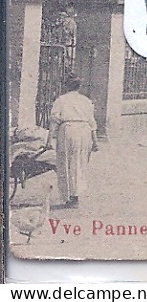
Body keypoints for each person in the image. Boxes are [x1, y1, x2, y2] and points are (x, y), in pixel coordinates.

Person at [48, 75, 98, 209]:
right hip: (84, 132)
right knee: (80, 163)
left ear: (66, 86)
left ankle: (70, 196)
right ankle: (76, 195)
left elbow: (54, 121)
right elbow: (92, 122)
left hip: (68, 131)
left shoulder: (61, 100)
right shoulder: (86, 101)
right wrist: (95, 141)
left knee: (66, 163)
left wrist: (49, 140)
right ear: (79, 87)